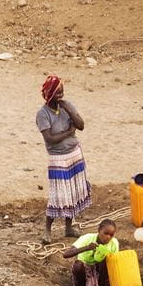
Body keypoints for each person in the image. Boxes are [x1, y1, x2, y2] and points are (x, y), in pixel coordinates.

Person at [36, 75, 91, 244]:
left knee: (73, 192)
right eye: (57, 93)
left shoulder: (67, 106)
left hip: (74, 154)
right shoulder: (42, 114)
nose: (61, 96)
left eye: (62, 92)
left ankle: (68, 227)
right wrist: (69, 131)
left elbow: (80, 125)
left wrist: (70, 110)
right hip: (58, 158)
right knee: (57, 195)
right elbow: (51, 139)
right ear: (50, 94)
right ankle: (47, 230)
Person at [62, 219, 118, 286]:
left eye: (111, 235)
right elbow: (66, 254)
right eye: (106, 233)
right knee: (78, 265)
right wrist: (87, 248)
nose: (108, 237)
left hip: (100, 273)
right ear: (99, 230)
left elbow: (115, 264)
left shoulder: (114, 243)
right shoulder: (87, 238)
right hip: (84, 271)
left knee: (107, 260)